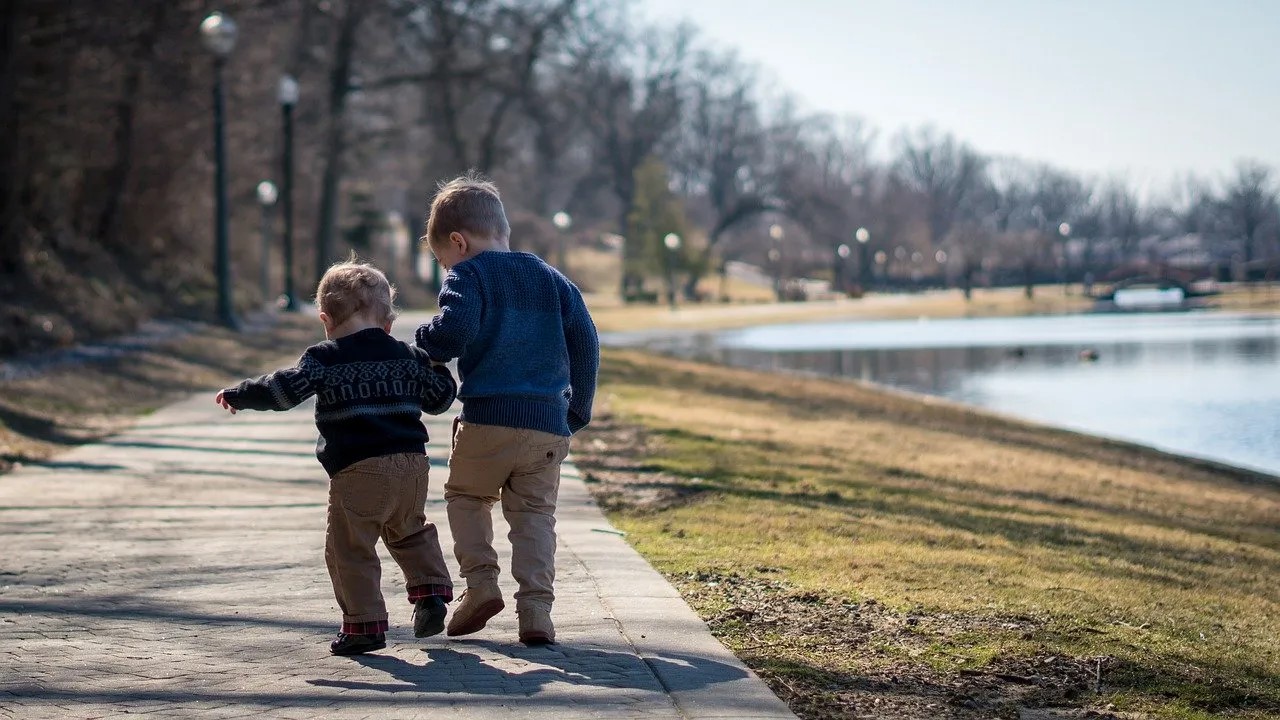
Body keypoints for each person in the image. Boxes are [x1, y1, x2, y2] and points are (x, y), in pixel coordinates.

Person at [215, 260, 458, 656]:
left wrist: (242, 394)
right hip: (412, 466)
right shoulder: (406, 355)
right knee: (410, 530)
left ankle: (364, 625)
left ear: (325, 319)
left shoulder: (324, 358)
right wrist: (439, 367)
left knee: (350, 548)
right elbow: (439, 399)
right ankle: (431, 593)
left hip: (358, 469)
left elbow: (283, 391)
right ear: (387, 321)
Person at [415, 173, 599, 645]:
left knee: (467, 498)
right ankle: (536, 611)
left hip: (488, 420)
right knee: (535, 515)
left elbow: (453, 332)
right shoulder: (552, 278)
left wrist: (424, 342)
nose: (445, 267)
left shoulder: (469, 274)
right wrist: (577, 410)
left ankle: (480, 585)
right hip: (546, 425)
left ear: (459, 242)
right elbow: (587, 343)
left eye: (442, 259)